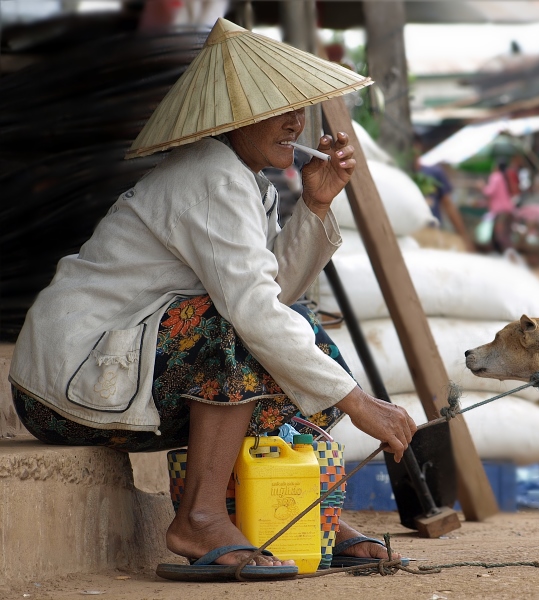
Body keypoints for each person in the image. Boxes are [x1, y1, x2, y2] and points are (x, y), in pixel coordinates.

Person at [8, 19, 416, 576]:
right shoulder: (211, 176)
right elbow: (252, 310)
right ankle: (199, 517)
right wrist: (358, 403)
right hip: (64, 388)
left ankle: (294, 510)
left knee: (298, 331)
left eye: (301, 108)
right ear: (236, 116)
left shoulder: (246, 180)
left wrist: (315, 205)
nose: (297, 122)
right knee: (234, 330)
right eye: (278, 108)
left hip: (117, 370)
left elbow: (273, 293)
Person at [413, 141, 475, 251]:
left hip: (432, 234)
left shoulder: (433, 173)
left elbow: (449, 206)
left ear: (418, 148)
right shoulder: (402, 174)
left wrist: (464, 237)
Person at [482, 160, 517, 252]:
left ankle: (504, 252)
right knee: (505, 234)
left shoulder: (496, 176)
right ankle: (505, 252)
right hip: (509, 209)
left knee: (500, 234)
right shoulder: (505, 177)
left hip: (501, 210)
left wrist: (481, 186)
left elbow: (489, 191)